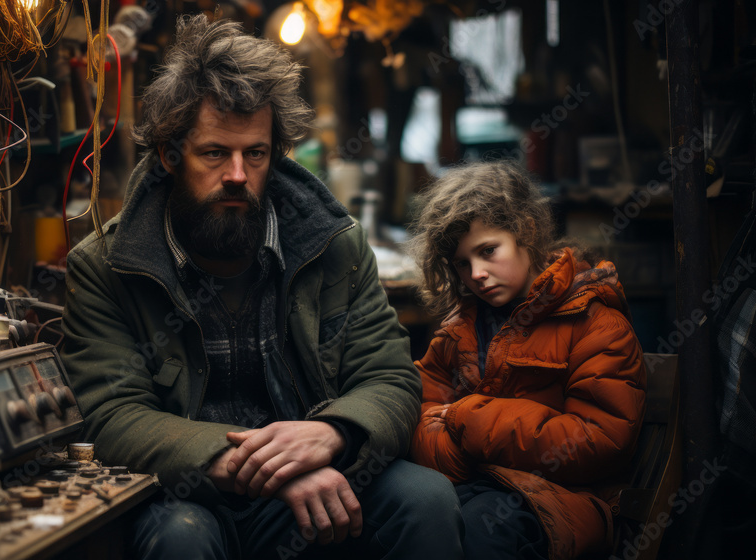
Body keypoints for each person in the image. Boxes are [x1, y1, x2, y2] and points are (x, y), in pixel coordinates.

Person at [60, 13, 461, 560]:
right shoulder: (107, 267)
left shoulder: (333, 244)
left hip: (319, 470)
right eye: (214, 154)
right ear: (170, 156)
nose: (237, 175)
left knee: (426, 498)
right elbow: (111, 417)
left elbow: (389, 378)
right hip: (195, 490)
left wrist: (333, 435)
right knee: (179, 536)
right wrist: (266, 472)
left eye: (255, 153)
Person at [405, 162, 647, 560]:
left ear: (526, 233)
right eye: (463, 264)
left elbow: (601, 440)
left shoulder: (596, 324)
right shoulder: (461, 327)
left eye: (487, 251)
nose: (477, 274)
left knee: (481, 533)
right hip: (473, 484)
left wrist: (469, 419)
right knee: (409, 517)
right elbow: (421, 405)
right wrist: (450, 452)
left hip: (558, 501)